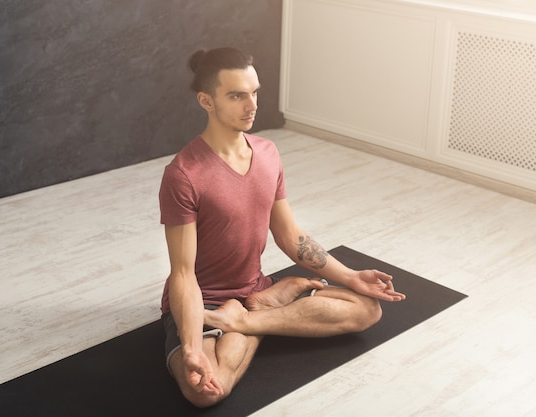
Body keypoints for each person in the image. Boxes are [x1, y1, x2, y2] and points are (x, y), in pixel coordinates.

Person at [158, 47, 406, 408]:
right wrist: (193, 345)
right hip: (204, 299)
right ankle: (261, 312)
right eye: (236, 95)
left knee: (368, 310)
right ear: (206, 101)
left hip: (252, 287)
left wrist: (351, 276)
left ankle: (247, 318)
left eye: (254, 92)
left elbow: (290, 236)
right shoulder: (183, 175)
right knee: (204, 391)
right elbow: (183, 275)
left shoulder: (268, 153)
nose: (251, 105)